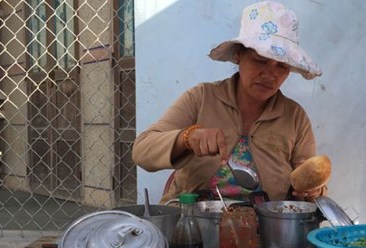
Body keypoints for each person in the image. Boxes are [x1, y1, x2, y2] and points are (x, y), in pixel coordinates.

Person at [132, 1, 327, 204]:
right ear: (238, 55)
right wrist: (188, 137)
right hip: (195, 221)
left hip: (268, 227)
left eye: (281, 66)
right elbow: (142, 150)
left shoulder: (294, 117)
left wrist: (313, 190)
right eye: (259, 61)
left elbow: (308, 176)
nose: (270, 75)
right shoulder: (201, 97)